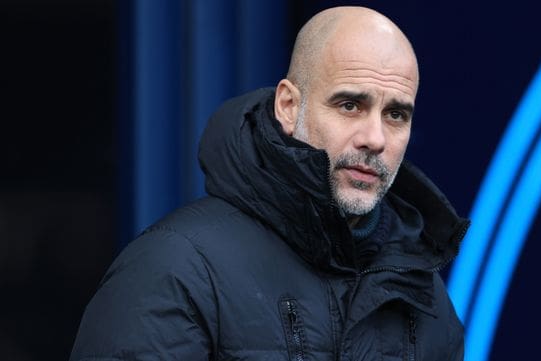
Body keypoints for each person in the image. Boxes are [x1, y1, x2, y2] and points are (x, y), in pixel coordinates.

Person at [70, 6, 469, 361]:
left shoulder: (425, 297)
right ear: (288, 106)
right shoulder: (174, 269)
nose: (375, 138)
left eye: (396, 115)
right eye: (350, 105)